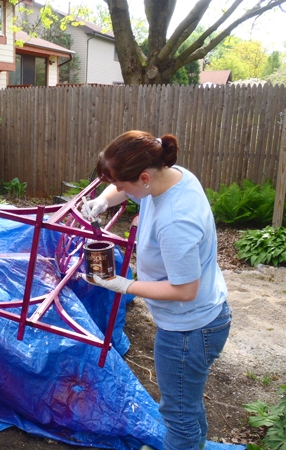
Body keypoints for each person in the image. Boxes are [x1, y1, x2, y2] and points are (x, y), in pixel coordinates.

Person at [82, 130, 231, 450]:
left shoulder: (176, 220)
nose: (118, 189)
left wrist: (126, 285)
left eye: (121, 185)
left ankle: (185, 444)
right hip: (201, 317)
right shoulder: (171, 177)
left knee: (178, 415)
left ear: (145, 177)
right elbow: (127, 188)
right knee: (185, 405)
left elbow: (185, 290)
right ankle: (193, 442)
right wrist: (102, 200)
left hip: (190, 328)